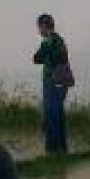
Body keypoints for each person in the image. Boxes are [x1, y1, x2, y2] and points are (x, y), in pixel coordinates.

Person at [33, 14, 71, 154]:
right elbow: (39, 58)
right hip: (61, 82)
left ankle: (52, 149)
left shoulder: (49, 42)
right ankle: (61, 148)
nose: (39, 31)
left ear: (44, 26)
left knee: (51, 115)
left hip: (52, 81)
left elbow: (37, 58)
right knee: (58, 114)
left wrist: (45, 56)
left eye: (39, 27)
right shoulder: (58, 40)